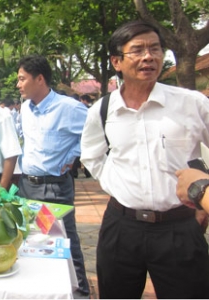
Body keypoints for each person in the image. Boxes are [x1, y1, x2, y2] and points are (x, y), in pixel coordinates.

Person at [80, 20, 209, 298]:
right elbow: (93, 157)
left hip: (180, 227)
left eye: (155, 49)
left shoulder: (192, 104)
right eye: (137, 50)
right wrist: (118, 186)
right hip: (121, 227)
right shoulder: (102, 111)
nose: (148, 56)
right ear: (117, 61)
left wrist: (204, 199)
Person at [16, 54, 90, 297]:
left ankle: (79, 292)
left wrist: (73, 156)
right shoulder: (25, 109)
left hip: (53, 189)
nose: (18, 84)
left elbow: (94, 135)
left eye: (21, 79)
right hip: (28, 186)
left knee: (63, 242)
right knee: (35, 242)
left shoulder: (68, 108)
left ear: (39, 79)